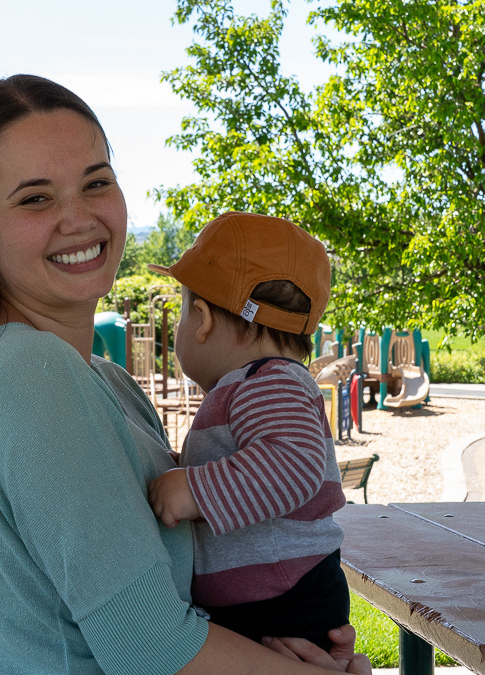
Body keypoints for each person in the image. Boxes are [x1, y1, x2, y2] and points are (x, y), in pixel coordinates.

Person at [0, 74, 369, 675]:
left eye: (96, 183)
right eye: (35, 198)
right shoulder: (29, 373)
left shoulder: (104, 381)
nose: (78, 218)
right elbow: (148, 644)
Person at [146, 212, 349, 652]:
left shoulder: (268, 380)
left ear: (201, 319)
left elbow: (293, 465)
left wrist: (195, 490)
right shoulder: (260, 382)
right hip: (272, 597)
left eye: (182, 311)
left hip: (285, 600)